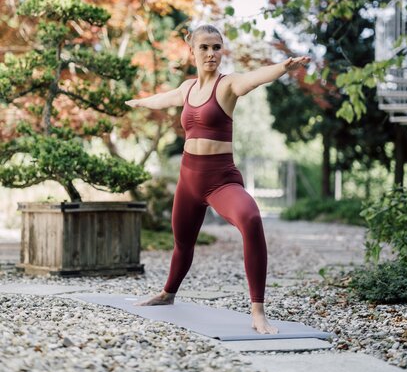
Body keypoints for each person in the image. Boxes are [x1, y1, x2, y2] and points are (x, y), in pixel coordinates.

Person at [125, 24, 311, 334]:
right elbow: (167, 98)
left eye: (216, 47)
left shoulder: (227, 85)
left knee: (251, 218)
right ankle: (167, 293)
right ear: (192, 52)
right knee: (182, 244)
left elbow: (253, 79)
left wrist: (282, 67)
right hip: (188, 179)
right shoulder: (186, 88)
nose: (211, 53)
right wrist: (142, 102)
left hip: (220, 180)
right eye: (205, 47)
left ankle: (257, 311)